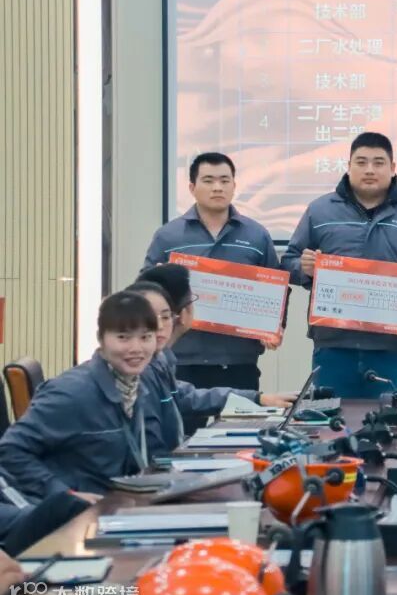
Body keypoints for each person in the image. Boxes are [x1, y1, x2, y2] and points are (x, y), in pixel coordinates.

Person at [282, 132, 397, 398]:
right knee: (330, 421)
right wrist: (304, 267)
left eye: (378, 162)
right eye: (361, 162)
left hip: (391, 348)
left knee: (390, 421)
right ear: (348, 166)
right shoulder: (320, 211)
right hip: (333, 346)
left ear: (393, 168)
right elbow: (287, 263)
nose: (369, 170)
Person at [141, 152, 282, 401]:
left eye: (224, 180)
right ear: (192, 188)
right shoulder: (169, 236)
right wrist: (161, 280)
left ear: (234, 186)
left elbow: (276, 287)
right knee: (184, 424)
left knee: (239, 425)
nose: (217, 187)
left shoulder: (256, 235)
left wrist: (275, 326)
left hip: (238, 360)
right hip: (183, 358)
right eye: (208, 180)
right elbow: (144, 288)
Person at [0, 292, 161, 497]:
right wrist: (65, 495)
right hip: (75, 511)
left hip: (116, 504)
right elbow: (10, 450)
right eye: (123, 337)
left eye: (145, 337)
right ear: (101, 338)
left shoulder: (135, 386)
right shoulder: (72, 392)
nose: (136, 348)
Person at [135, 266, 294, 440]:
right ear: (184, 313)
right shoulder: (143, 367)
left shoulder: (160, 360)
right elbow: (153, 443)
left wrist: (258, 398)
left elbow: (186, 397)